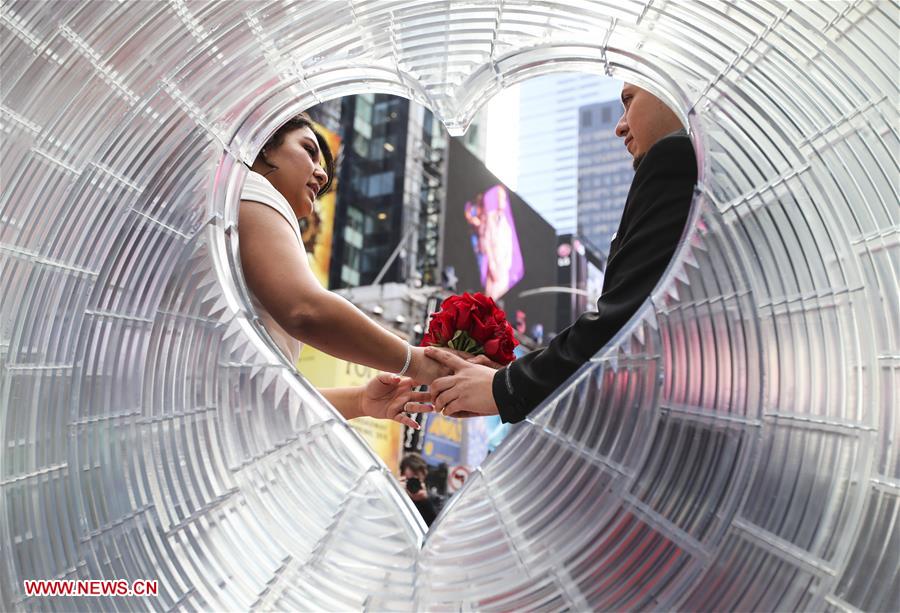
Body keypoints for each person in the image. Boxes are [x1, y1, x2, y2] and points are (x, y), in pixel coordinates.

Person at [426, 83, 698, 423]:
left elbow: (625, 327)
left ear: (671, 87)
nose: (620, 126)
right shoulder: (706, 170)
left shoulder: (674, 158)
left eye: (629, 100)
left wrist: (503, 386)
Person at [239, 112, 445, 428]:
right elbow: (305, 310)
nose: (321, 175)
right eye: (309, 150)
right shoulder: (253, 186)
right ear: (265, 146)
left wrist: (361, 401)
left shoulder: (239, 203)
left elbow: (263, 397)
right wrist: (417, 363)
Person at [398, 453, 438, 526]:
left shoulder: (432, 499)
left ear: (424, 477)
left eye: (417, 481)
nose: (413, 485)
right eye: (410, 480)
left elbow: (436, 526)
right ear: (402, 476)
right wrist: (398, 492)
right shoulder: (397, 494)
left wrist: (426, 502)